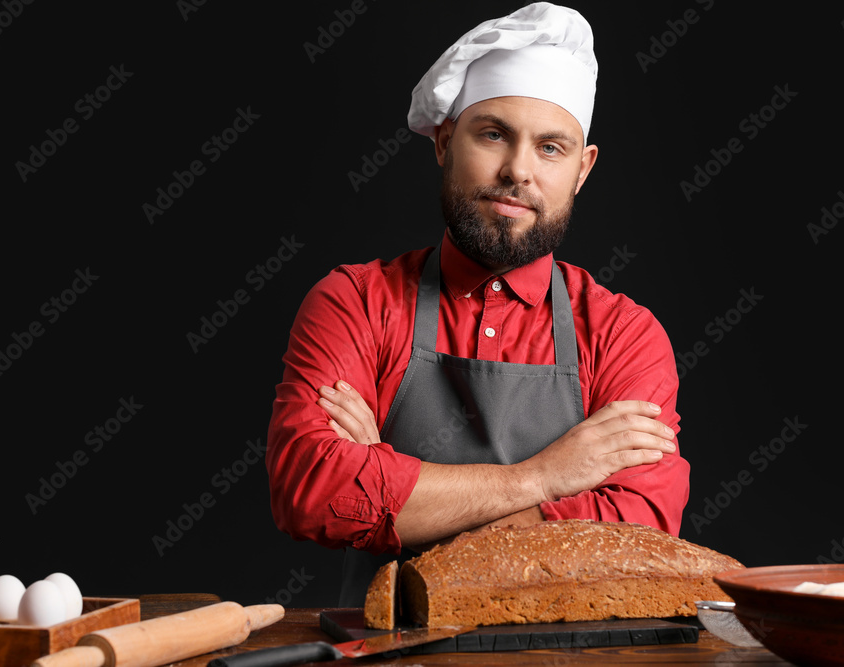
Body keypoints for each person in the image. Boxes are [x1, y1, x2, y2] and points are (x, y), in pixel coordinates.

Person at [267, 2, 689, 605]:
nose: (518, 170)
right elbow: (312, 493)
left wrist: (391, 493)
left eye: (551, 148)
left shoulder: (625, 334)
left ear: (582, 170)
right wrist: (543, 477)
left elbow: (638, 530)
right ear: (444, 142)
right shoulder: (355, 302)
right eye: (493, 134)